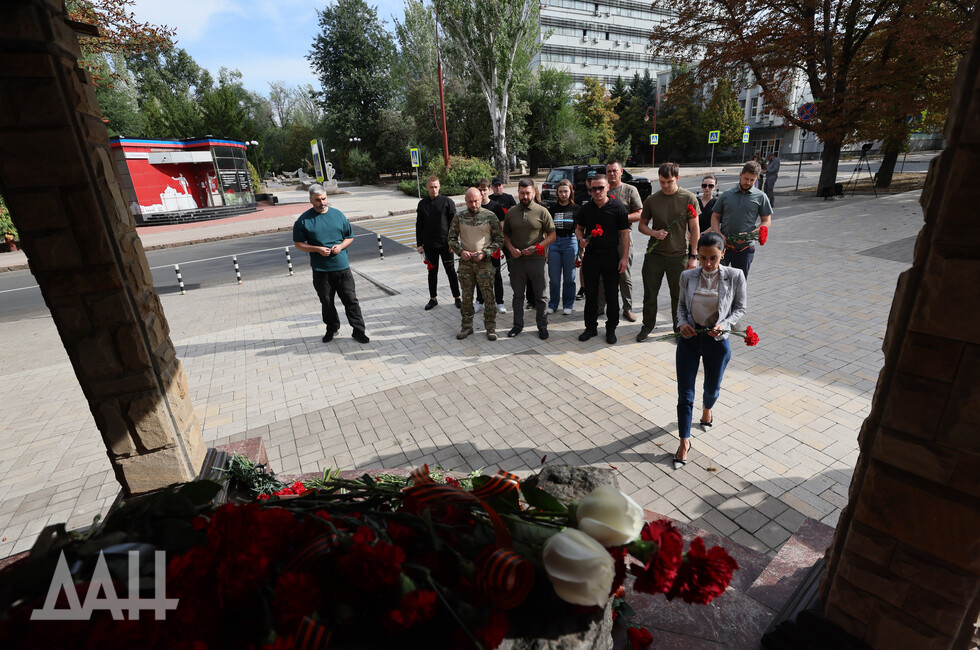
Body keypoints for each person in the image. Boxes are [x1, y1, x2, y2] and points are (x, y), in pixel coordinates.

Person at [672, 232, 746, 469]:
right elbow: (681, 307)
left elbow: (739, 308)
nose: (707, 264)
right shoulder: (687, 276)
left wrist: (723, 326)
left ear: (723, 254)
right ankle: (684, 440)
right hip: (689, 340)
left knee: (711, 389)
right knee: (685, 394)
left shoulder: (735, 276)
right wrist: (682, 324)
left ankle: (707, 410)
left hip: (717, 342)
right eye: (702, 258)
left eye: (713, 258)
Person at [293, 185, 369, 344]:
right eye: (317, 200)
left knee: (351, 300)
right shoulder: (303, 220)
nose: (322, 203)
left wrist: (341, 246)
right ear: (311, 201)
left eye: (324, 198)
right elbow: (298, 244)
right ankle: (332, 328)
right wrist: (317, 249)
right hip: (321, 271)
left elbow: (350, 236)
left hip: (342, 268)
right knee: (327, 303)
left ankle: (358, 330)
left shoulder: (338, 215)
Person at [636, 163, 700, 341]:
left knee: (678, 296)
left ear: (677, 178)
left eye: (669, 181)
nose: (665, 185)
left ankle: (678, 328)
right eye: (662, 182)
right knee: (650, 294)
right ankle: (647, 325)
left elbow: (695, 229)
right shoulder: (652, 199)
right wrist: (653, 233)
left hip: (678, 256)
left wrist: (693, 255)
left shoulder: (689, 198)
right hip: (654, 255)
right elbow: (642, 225)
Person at [575, 174, 630, 344]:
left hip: (611, 256)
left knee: (611, 294)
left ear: (607, 188)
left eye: (601, 188)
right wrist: (581, 240)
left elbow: (624, 234)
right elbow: (579, 228)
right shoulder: (586, 209)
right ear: (590, 190)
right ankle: (590, 327)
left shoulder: (618, 207)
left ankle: (611, 328)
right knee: (590, 294)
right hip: (591, 256)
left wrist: (624, 258)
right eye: (594, 188)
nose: (597, 191)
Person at [448, 188, 504, 340]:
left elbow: (500, 240)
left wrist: (485, 252)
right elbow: (451, 239)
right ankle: (467, 327)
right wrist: (461, 251)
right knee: (466, 297)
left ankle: (491, 328)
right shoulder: (459, 217)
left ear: (481, 198)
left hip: (484, 264)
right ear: (465, 201)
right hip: (466, 264)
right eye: (470, 201)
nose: (473, 204)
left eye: (476, 201)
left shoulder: (490, 216)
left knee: (489, 297)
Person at [503, 179, 556, 339]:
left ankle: (542, 325)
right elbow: (505, 234)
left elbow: (552, 235)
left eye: (528, 193)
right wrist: (512, 249)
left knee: (541, 296)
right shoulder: (511, 212)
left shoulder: (542, 211)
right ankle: (517, 325)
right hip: (517, 261)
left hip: (537, 260)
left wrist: (538, 247)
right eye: (522, 193)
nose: (525, 196)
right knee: (518, 296)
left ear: (534, 193)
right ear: (518, 193)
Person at [709, 161, 773, 279]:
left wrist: (750, 235)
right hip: (724, 246)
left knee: (739, 283)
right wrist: (718, 234)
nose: (748, 182)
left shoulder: (761, 196)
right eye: (746, 178)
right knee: (717, 280)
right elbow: (715, 216)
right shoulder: (727, 195)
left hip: (745, 249)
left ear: (757, 178)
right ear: (740, 175)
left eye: (752, 180)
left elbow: (766, 220)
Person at [600, 159, 643, 322]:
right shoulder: (601, 189)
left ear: (621, 171)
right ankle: (600, 306)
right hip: (604, 240)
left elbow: (639, 213)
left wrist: (620, 220)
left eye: (614, 170)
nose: (612, 173)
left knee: (624, 274)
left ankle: (628, 308)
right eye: (609, 171)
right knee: (602, 275)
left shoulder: (630, 190)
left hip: (623, 238)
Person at [416, 175, 461, 311]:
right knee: (432, 272)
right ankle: (433, 298)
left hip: (446, 244)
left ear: (439, 186)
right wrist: (419, 244)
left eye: (436, 187)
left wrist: (454, 242)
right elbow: (419, 225)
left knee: (451, 271)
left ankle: (457, 297)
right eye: (431, 187)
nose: (434, 189)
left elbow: (455, 224)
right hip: (429, 245)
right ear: (427, 187)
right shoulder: (422, 204)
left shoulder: (447, 202)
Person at [546, 179, 580, 315]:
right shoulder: (552, 209)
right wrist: (546, 250)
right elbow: (547, 230)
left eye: (566, 191)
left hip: (570, 243)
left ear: (570, 191)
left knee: (569, 277)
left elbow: (579, 229)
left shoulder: (576, 209)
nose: (563, 194)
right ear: (557, 193)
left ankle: (568, 304)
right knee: (554, 278)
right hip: (554, 243)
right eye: (561, 192)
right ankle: (553, 303)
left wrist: (580, 251)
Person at [475, 179, 507, 314]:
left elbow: (502, 227)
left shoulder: (495, 207)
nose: (482, 192)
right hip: (478, 247)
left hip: (492, 247)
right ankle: (480, 301)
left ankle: (499, 302)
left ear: (489, 190)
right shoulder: (474, 207)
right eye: (480, 190)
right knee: (479, 275)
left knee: (496, 274)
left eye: (484, 189)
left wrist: (496, 243)